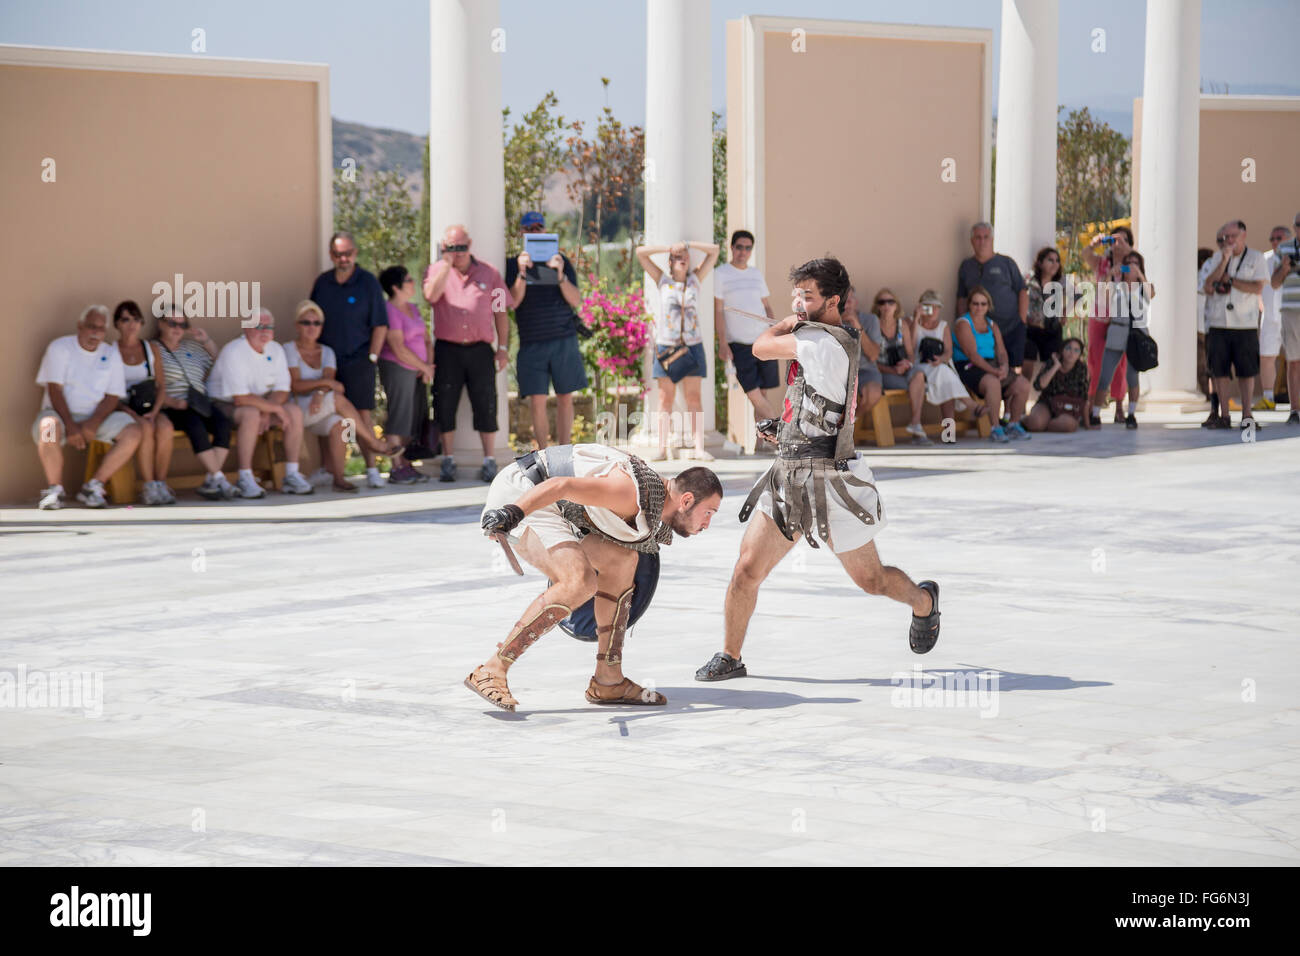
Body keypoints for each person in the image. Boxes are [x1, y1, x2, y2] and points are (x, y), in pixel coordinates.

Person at [695, 257, 940, 683]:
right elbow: (811, 400)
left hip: (835, 479)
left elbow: (758, 346)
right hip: (791, 473)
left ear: (833, 300)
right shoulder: (816, 336)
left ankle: (924, 603)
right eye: (796, 294)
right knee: (746, 568)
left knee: (872, 580)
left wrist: (785, 322)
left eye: (807, 296)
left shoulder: (822, 342)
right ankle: (730, 655)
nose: (798, 301)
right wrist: (786, 429)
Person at [468, 445, 722, 711]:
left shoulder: (651, 496)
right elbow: (560, 484)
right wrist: (511, 513)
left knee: (623, 560)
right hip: (525, 495)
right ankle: (492, 669)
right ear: (687, 501)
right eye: (708, 513)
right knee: (579, 581)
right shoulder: (631, 493)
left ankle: (608, 680)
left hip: (558, 506)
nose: (707, 524)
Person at [424, 224, 510, 483]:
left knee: (486, 401)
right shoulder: (436, 271)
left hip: (481, 349)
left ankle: (489, 459)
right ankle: (448, 459)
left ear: (469, 244)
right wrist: (446, 265)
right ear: (444, 248)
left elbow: (501, 311)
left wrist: (503, 347)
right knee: (444, 402)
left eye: (461, 247)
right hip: (447, 349)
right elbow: (430, 296)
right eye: (452, 248)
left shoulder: (489, 273)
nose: (458, 252)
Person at [33, 305, 142, 509]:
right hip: (60, 416)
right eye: (91, 326)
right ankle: (54, 489)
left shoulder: (110, 353)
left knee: (133, 431)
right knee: (48, 427)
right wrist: (71, 426)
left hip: (96, 418)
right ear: (80, 326)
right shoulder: (59, 348)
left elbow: (112, 397)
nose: (96, 333)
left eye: (101, 329)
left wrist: (92, 424)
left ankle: (94, 486)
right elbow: (54, 390)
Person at [285, 300, 396, 493]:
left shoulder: (327, 352)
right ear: (297, 325)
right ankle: (373, 442)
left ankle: (339, 479)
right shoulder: (289, 349)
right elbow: (296, 385)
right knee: (338, 399)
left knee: (341, 424)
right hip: (295, 409)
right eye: (306, 323)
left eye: (316, 323)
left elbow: (331, 381)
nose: (312, 327)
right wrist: (324, 386)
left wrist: (320, 391)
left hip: (318, 408)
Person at [310, 231, 389, 488]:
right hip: (328, 361)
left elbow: (380, 324)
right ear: (331, 255)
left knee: (361, 415)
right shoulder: (322, 283)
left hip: (359, 360)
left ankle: (371, 468)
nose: (343, 258)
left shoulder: (368, 283)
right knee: (328, 413)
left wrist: (372, 357)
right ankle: (329, 469)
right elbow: (313, 318)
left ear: (355, 254)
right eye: (337, 254)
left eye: (347, 253)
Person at [206, 308, 314, 497]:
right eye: (259, 326)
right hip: (223, 404)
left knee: (294, 412)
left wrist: (267, 411)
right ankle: (245, 476)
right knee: (251, 414)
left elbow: (282, 389)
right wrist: (270, 409)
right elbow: (241, 398)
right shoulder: (234, 351)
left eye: (268, 327)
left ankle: (291, 474)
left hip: (261, 403)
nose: (265, 331)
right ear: (246, 328)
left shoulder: (276, 349)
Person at [507, 211, 588, 449]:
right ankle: (543, 453)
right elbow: (513, 301)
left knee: (565, 397)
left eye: (538, 227)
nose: (534, 232)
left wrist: (560, 275)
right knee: (537, 401)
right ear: (521, 233)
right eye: (529, 228)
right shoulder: (513, 264)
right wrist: (522, 273)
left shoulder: (560, 260)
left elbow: (575, 300)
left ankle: (564, 450)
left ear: (545, 231)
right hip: (531, 341)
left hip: (564, 338)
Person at [637, 239, 720, 462]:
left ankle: (699, 448)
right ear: (670, 262)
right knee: (665, 398)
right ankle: (663, 448)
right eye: (677, 257)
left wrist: (687, 244)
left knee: (694, 398)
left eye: (684, 256)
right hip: (667, 345)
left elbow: (714, 252)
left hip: (692, 345)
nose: (682, 260)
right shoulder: (663, 281)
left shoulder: (695, 280)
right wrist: (668, 248)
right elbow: (641, 253)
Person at [153, 303, 233, 500]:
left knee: (223, 422)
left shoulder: (193, 348)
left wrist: (206, 341)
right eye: (172, 323)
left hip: (199, 403)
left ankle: (213, 478)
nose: (178, 329)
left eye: (182, 324)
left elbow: (221, 364)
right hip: (174, 405)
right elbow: (149, 384)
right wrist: (171, 402)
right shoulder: (153, 349)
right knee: (194, 423)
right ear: (160, 324)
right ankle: (218, 478)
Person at [1202, 219, 1270, 429]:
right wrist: (1223, 261)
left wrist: (1230, 280)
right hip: (1218, 322)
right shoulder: (1216, 257)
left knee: (1246, 371)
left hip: (1245, 324)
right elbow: (1208, 287)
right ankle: (1224, 415)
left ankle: (1247, 415)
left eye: (1232, 236)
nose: (1228, 241)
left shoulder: (1256, 258)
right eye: (1225, 237)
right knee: (1219, 371)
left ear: (1243, 236)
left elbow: (1257, 287)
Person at [111, 300, 175, 505]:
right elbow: (107, 392)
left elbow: (161, 386)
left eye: (136, 319)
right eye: (126, 319)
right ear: (117, 324)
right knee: (146, 428)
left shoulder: (150, 349)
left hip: (148, 406)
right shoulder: (110, 351)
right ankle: (149, 485)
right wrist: (129, 412)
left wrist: (155, 411)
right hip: (121, 407)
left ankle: (160, 483)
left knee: (165, 427)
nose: (132, 324)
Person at [377, 266, 434, 484]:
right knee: (399, 415)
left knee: (412, 418)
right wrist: (425, 367)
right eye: (409, 279)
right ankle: (396, 466)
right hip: (397, 368)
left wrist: (427, 365)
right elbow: (398, 348)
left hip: (418, 370)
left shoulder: (413, 308)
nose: (413, 282)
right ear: (395, 287)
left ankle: (408, 464)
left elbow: (426, 339)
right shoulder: (390, 310)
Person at [714, 229, 778, 423]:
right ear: (732, 247)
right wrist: (722, 342)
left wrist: (774, 333)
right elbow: (718, 311)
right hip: (739, 344)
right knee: (754, 395)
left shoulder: (755, 273)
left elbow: (766, 305)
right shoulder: (721, 273)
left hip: (763, 340)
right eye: (739, 247)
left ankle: (763, 445)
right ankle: (783, 435)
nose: (743, 251)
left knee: (763, 395)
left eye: (747, 248)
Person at [952, 286, 1031, 442]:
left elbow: (1001, 351)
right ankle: (995, 427)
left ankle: (1013, 424)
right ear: (969, 304)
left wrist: (1004, 367)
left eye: (983, 304)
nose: (979, 307)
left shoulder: (991, 324)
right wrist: (995, 372)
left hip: (991, 365)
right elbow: (972, 355)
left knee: (1023, 384)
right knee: (993, 382)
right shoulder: (963, 323)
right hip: (969, 366)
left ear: (988, 306)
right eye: (975, 303)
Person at [1091, 250, 1153, 429]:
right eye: (1129, 263)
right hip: (1117, 331)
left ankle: (1131, 414)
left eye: (1135, 263)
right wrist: (1111, 273)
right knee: (1105, 374)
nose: (1131, 266)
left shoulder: (1144, 287)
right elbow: (1102, 294)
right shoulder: (1116, 286)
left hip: (1136, 334)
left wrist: (1139, 275)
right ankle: (1096, 413)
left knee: (1132, 376)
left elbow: (1151, 294)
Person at [1081, 226, 1136, 424]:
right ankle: (1090, 404)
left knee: (1120, 364)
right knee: (1095, 361)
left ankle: (1119, 406)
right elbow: (1085, 254)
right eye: (1114, 241)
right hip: (1100, 316)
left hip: (1122, 317)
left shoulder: (1133, 263)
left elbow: (1138, 277)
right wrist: (1095, 243)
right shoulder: (1102, 262)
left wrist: (1126, 250)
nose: (1117, 245)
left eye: (1122, 240)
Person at [955, 222, 1028, 371]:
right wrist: (964, 323)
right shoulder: (966, 266)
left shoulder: (1006, 263)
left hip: (1011, 327)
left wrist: (1022, 320)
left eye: (986, 237)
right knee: (986, 369)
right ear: (972, 241)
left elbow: (1022, 291)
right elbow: (962, 297)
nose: (982, 241)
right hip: (983, 332)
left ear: (992, 239)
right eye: (978, 238)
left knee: (1013, 372)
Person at [872, 287, 930, 445]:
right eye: (882, 302)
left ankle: (916, 423)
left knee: (918, 374)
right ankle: (917, 430)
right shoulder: (873, 325)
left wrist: (908, 363)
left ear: (896, 305)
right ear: (877, 306)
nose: (886, 306)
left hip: (903, 369)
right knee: (914, 386)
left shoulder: (902, 324)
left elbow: (910, 352)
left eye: (890, 302)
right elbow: (871, 359)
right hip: (883, 371)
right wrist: (892, 370)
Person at [910, 289, 968, 432]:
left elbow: (948, 351)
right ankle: (969, 405)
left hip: (938, 365)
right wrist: (916, 319)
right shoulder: (911, 323)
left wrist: (941, 359)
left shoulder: (943, 326)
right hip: (919, 368)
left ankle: (949, 432)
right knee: (945, 376)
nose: (932, 311)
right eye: (928, 306)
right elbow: (909, 349)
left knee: (944, 378)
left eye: (936, 307)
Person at [1257, 225, 1292, 410]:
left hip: (1291, 314)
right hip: (1270, 315)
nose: (1275, 242)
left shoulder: (1296, 254)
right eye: (1272, 238)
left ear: (1288, 238)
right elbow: (1258, 283)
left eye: (1279, 238)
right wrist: (1259, 303)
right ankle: (1268, 398)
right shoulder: (1265, 259)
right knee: (1266, 356)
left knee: (1295, 358)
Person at [1023, 337, 1090, 433]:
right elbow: (1039, 386)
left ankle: (1046, 424)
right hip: (1047, 403)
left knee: (1068, 426)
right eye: (1068, 348)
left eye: (1076, 350)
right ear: (1062, 350)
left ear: (1080, 354)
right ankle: (1028, 421)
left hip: (1068, 408)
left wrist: (1087, 424)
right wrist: (1055, 367)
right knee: (1035, 424)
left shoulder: (1082, 369)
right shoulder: (1051, 363)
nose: (1071, 352)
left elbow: (1084, 397)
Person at [1023, 246, 1067, 389]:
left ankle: (1046, 402)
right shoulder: (1029, 280)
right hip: (1030, 330)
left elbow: (1078, 295)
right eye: (1050, 260)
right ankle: (1021, 403)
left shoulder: (1061, 282)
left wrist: (1065, 313)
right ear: (1040, 262)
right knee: (1026, 364)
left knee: (1051, 366)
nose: (1055, 264)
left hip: (1052, 330)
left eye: (1057, 261)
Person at [1271, 212, 1300, 424]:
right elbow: (1274, 283)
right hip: (1290, 311)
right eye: (1298, 224)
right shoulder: (1284, 249)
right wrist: (1285, 268)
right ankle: (1295, 410)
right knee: (1293, 362)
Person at [841, 286, 884, 415]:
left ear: (856, 302)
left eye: (851, 299)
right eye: (844, 299)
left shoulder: (870, 320)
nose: (848, 303)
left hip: (866, 370)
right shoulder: (832, 321)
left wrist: (856, 324)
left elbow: (873, 355)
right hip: (840, 373)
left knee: (874, 393)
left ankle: (851, 422)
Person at [1197, 240, 1220, 426]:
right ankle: (1212, 405)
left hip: (1209, 327)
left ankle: (1215, 406)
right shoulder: (1198, 278)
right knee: (1206, 367)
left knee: (1210, 367)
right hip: (1202, 327)